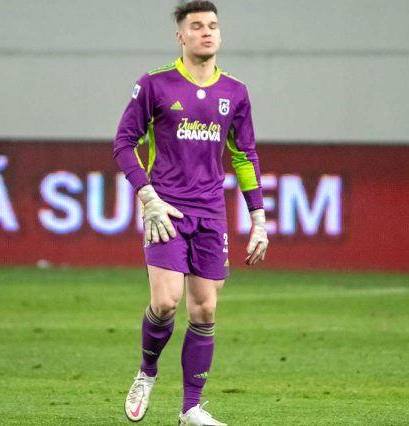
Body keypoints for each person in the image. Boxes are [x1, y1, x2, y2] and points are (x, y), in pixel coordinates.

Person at [113, 1, 268, 424]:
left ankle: (190, 409)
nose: (207, 32)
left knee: (204, 311)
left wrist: (258, 218)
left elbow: (244, 155)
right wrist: (148, 197)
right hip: (166, 209)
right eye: (196, 26)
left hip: (211, 213)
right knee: (165, 302)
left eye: (212, 25)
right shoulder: (155, 85)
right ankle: (147, 372)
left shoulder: (234, 92)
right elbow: (124, 143)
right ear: (180, 36)